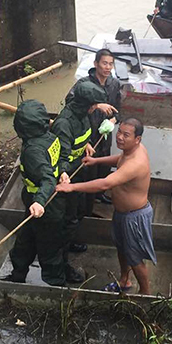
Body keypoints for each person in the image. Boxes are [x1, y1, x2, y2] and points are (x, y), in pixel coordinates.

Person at [56, 118, 155, 295]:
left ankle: (145, 296)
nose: (120, 137)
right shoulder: (130, 152)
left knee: (135, 257)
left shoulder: (136, 162)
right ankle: (124, 281)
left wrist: (71, 187)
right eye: (119, 132)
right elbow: (119, 160)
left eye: (126, 135)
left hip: (134, 216)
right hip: (122, 214)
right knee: (122, 248)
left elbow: (105, 184)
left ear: (137, 139)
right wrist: (97, 161)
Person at [51, 81, 112, 282]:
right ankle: (61, 267)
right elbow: (61, 156)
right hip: (66, 178)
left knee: (77, 213)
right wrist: (64, 174)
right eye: (93, 105)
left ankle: (70, 242)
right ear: (85, 104)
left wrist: (86, 144)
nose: (95, 108)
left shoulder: (83, 115)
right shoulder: (64, 123)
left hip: (78, 171)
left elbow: (82, 135)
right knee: (66, 221)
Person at [3, 100, 66, 285]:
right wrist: (62, 171)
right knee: (24, 242)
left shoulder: (33, 151)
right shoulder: (50, 136)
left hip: (45, 204)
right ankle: (18, 275)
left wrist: (39, 201)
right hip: (40, 201)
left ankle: (56, 286)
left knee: (49, 249)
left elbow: (47, 179)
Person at [65, 48, 121, 218]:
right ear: (96, 64)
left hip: (104, 134)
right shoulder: (84, 84)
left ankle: (99, 194)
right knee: (89, 171)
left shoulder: (114, 84)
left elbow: (118, 110)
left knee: (103, 167)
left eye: (111, 64)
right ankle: (86, 209)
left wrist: (113, 121)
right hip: (87, 135)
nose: (108, 67)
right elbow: (70, 104)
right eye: (104, 63)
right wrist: (96, 105)